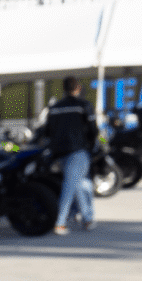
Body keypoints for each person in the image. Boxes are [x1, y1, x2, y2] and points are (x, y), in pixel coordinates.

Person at [46, 78, 97, 232]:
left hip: (59, 153)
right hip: (78, 151)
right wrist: (92, 144)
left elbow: (47, 131)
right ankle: (60, 222)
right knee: (71, 187)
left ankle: (88, 219)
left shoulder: (54, 108)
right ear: (78, 88)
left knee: (79, 184)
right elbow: (93, 129)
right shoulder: (83, 105)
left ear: (64, 88)